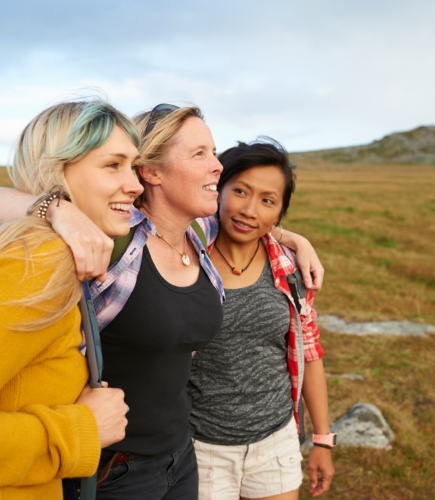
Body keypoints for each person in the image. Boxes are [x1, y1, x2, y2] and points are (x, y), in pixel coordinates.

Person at [0, 103, 325, 500]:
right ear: (153, 172)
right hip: (113, 471)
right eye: (199, 153)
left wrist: (292, 238)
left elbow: (246, 219)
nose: (219, 165)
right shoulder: (101, 244)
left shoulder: (197, 233)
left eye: (129, 165)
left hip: (179, 456)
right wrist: (54, 207)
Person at [0, 100, 138, 499]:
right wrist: (80, 430)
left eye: (133, 166)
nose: (135, 184)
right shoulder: (40, 262)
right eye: (113, 165)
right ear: (56, 170)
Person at [188, 139, 335, 500]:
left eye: (267, 200)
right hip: (201, 446)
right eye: (240, 191)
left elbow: (310, 352)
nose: (249, 210)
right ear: (218, 190)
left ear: (279, 213)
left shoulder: (289, 267)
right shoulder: (184, 257)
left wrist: (322, 440)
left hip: (276, 441)